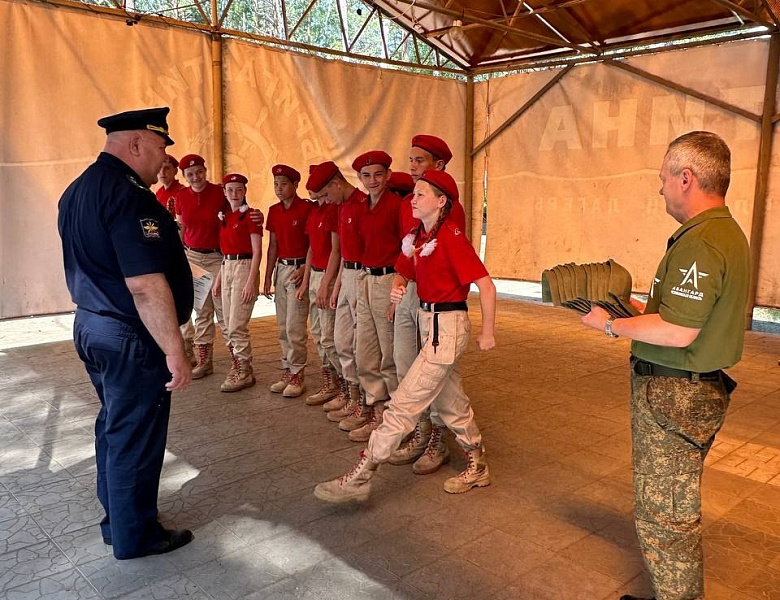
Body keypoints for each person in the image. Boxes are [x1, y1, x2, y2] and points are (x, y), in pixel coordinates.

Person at [580, 131, 749, 600]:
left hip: (677, 394)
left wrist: (610, 326)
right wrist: (633, 307)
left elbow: (679, 332)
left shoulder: (702, 242)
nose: (661, 189)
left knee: (666, 518)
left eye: (663, 179)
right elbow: (686, 314)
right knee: (668, 509)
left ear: (686, 178)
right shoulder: (722, 233)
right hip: (693, 389)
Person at [58, 107, 194, 559]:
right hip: (129, 335)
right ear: (135, 144)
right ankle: (137, 536)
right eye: (159, 149)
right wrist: (174, 349)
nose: (162, 162)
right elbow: (143, 284)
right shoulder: (128, 195)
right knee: (136, 432)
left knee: (116, 426)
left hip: (93, 325)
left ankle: (118, 520)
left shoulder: (78, 190)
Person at [314, 169, 495, 503]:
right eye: (413, 193)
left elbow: (486, 284)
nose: (413, 199)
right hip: (431, 324)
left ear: (441, 202)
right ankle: (477, 462)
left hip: (447, 326)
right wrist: (399, 287)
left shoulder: (452, 238)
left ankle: (362, 473)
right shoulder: (420, 238)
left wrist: (487, 331)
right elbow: (404, 270)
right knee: (450, 402)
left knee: (404, 403)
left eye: (421, 194)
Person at [389, 135, 468, 474]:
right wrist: (399, 279)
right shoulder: (410, 201)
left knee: (436, 373)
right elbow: (407, 248)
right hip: (409, 293)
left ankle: (437, 437)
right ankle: (420, 430)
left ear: (440, 165)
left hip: (438, 302)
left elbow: (439, 256)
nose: (411, 166)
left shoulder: (449, 209)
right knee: (405, 363)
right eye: (410, 160)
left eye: (419, 160)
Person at [340, 150, 402, 443]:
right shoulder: (362, 206)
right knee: (364, 348)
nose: (373, 180)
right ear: (359, 178)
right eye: (367, 175)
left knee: (389, 352)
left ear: (388, 175)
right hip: (366, 278)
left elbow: (408, 247)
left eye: (379, 174)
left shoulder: (397, 206)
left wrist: (397, 292)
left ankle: (395, 415)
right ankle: (376, 407)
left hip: (388, 279)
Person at [311, 162, 368, 421]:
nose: (324, 201)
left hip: (363, 276)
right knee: (341, 341)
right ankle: (352, 395)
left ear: (336, 184)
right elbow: (343, 250)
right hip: (347, 275)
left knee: (362, 346)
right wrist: (338, 285)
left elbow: (369, 249)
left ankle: (367, 404)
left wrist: (357, 286)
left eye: (324, 194)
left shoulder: (362, 203)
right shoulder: (341, 206)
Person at [175, 153, 228, 379]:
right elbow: (181, 229)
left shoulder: (219, 192)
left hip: (217, 257)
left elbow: (236, 216)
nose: (196, 177)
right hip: (194, 258)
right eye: (190, 174)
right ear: (184, 176)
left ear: (205, 171)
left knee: (224, 309)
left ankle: (240, 362)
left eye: (199, 172)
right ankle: (205, 360)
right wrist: (178, 258)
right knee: (202, 310)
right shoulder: (181, 197)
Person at [263, 164, 312, 398]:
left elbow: (315, 243)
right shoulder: (274, 211)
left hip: (299, 268)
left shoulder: (307, 208)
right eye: (276, 184)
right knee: (282, 324)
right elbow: (273, 245)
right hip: (282, 268)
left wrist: (306, 268)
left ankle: (297, 373)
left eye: (284, 184)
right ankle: (287, 368)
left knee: (295, 324)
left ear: (295, 185)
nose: (279, 189)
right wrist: (267, 276)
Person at [213, 173, 263, 392]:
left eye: (239, 190)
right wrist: (218, 279)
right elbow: (225, 253)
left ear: (245, 192)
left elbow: (257, 251)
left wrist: (252, 281)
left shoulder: (250, 216)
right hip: (227, 267)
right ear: (224, 192)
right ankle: (237, 365)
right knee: (226, 321)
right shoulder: (224, 216)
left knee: (237, 324)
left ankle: (245, 369)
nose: (235, 194)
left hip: (244, 266)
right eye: (230, 190)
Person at [300, 166, 343, 406]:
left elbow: (336, 250)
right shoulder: (315, 212)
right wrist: (306, 280)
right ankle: (330, 380)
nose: (318, 198)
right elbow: (311, 249)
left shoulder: (332, 211)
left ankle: (343, 385)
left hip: (328, 274)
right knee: (317, 333)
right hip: (315, 273)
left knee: (330, 336)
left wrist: (328, 283)